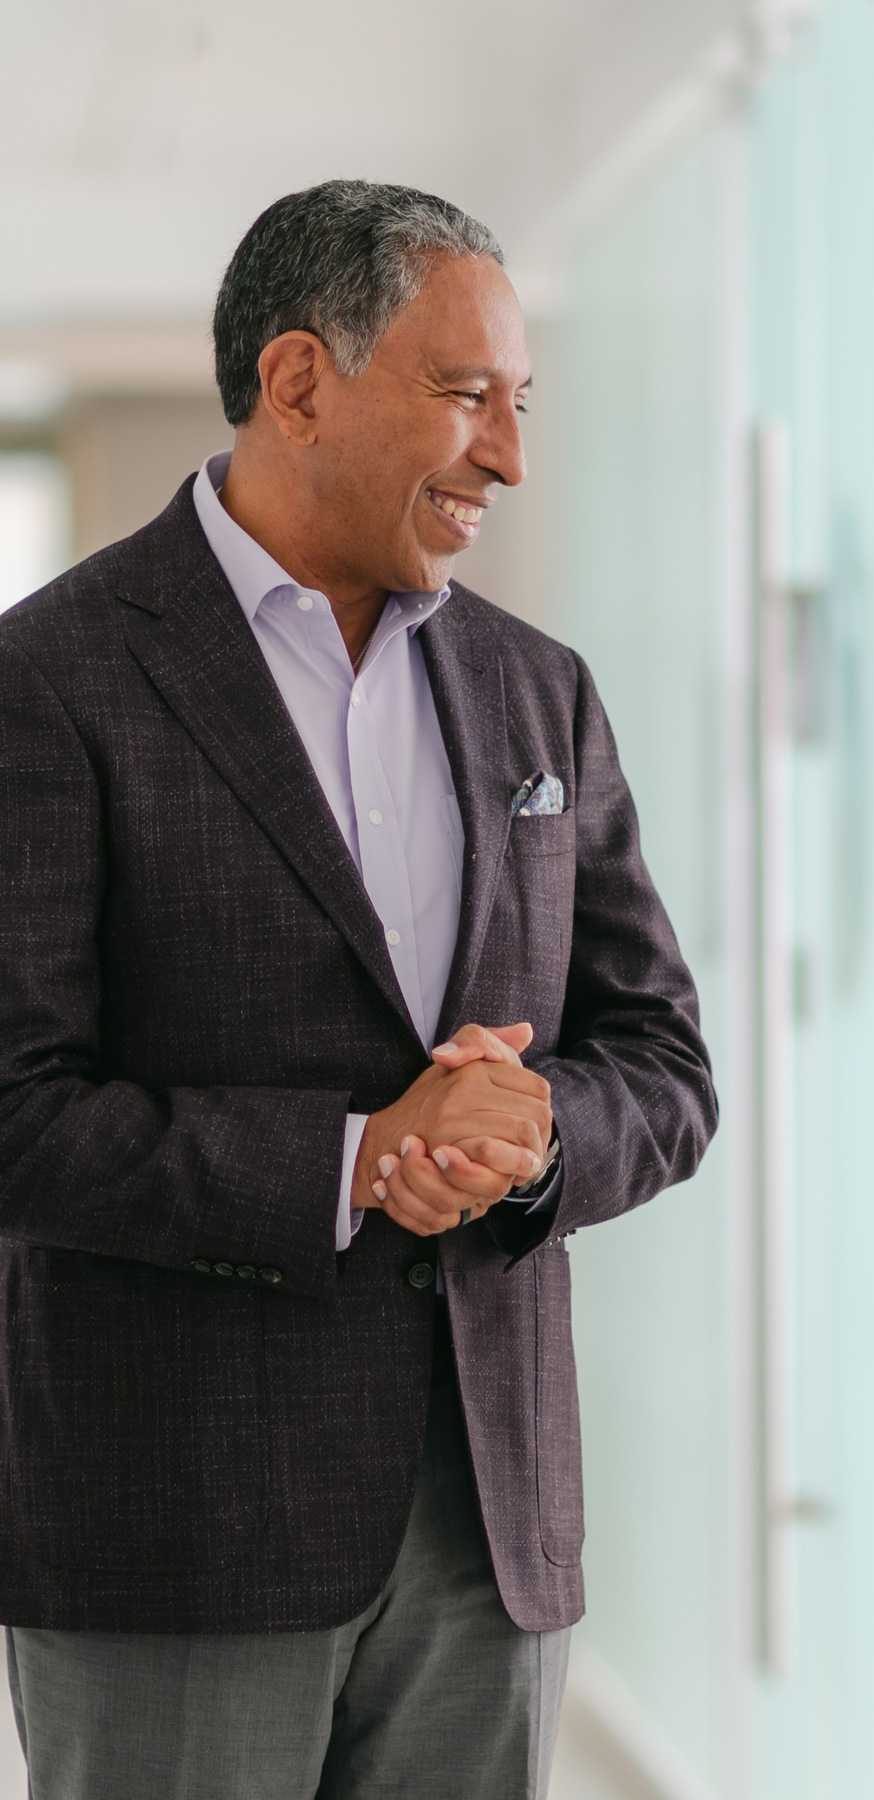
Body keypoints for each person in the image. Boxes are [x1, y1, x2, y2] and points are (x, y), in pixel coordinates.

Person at [0, 180, 716, 1800]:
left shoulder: (538, 691)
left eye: (522, 404)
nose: (509, 457)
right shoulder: (46, 681)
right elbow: (15, 1111)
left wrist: (532, 1135)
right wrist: (351, 1160)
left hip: (487, 1535)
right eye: (466, 396)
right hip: (178, 1539)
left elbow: (663, 1061)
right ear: (299, 382)